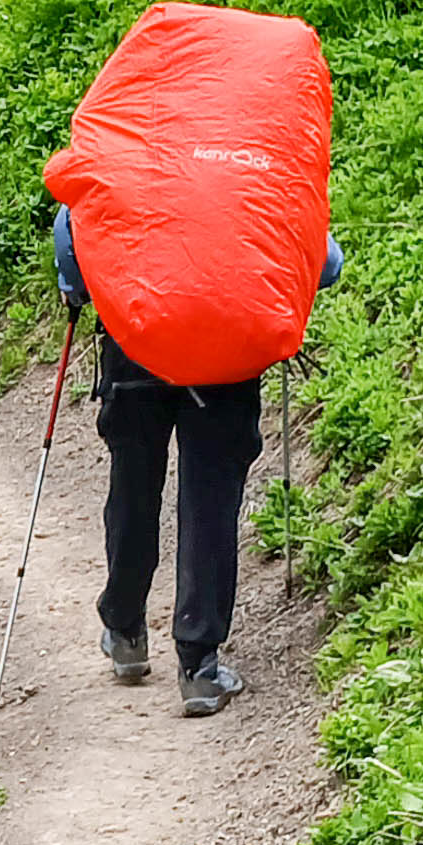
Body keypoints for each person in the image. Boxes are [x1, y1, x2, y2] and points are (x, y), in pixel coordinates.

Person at [56, 207, 340, 715]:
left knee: (134, 484)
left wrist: (76, 287)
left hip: (134, 334)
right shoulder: (246, 156)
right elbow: (326, 261)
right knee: (210, 493)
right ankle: (199, 666)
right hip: (226, 345)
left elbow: (71, 232)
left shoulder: (127, 139)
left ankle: (124, 629)